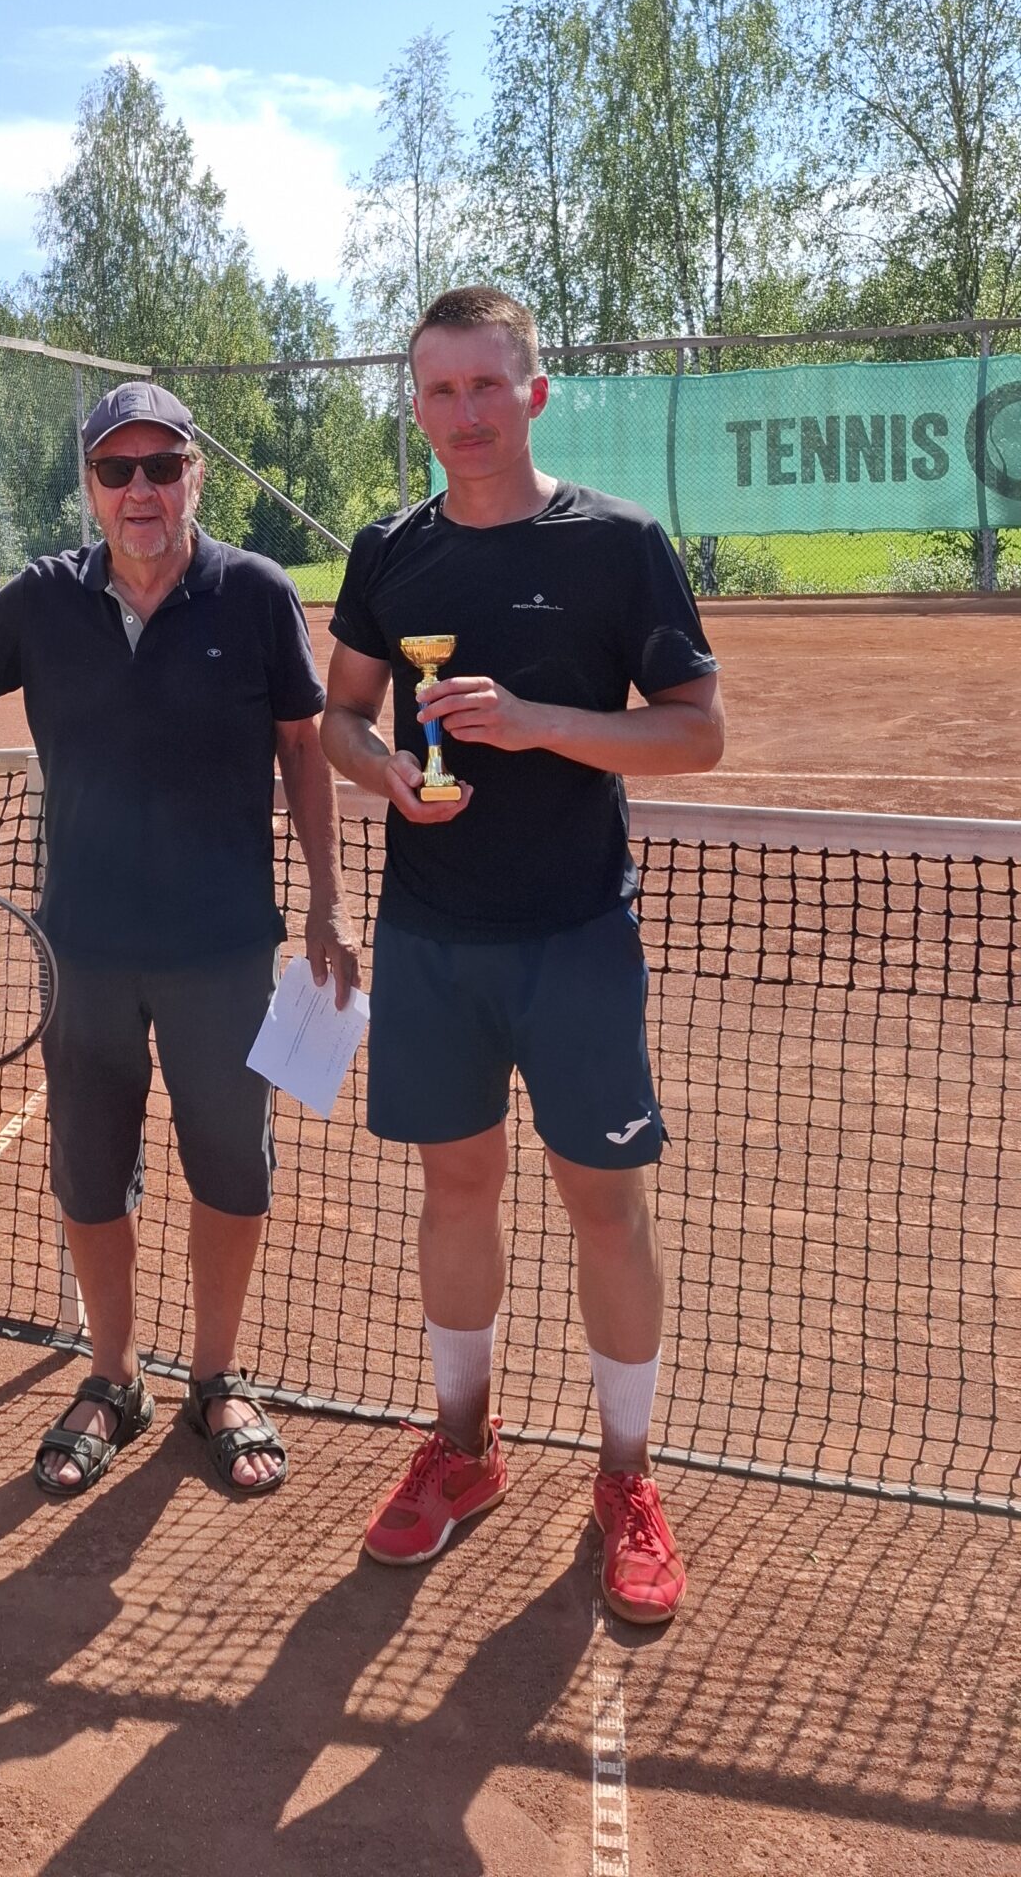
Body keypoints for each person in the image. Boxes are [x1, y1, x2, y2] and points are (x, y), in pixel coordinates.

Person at [319, 287, 723, 1627]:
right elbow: (342, 717)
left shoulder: (619, 544)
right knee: (456, 1192)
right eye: (441, 391)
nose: (466, 413)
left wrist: (539, 720)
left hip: (577, 937)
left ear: (535, 392)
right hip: (432, 937)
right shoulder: (389, 551)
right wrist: (388, 775)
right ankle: (465, 1445)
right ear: (417, 406)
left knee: (605, 1204)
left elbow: (696, 731)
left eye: (488, 385)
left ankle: (627, 1477)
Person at [0, 381, 359, 1499]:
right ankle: (112, 1375)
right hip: (85, 953)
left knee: (233, 1172)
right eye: (118, 470)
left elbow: (306, 755)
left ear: (195, 474)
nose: (141, 489)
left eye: (163, 466)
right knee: (91, 1173)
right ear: (91, 486)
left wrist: (329, 901)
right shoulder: (43, 599)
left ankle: (216, 1377)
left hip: (225, 950)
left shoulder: (257, 594)